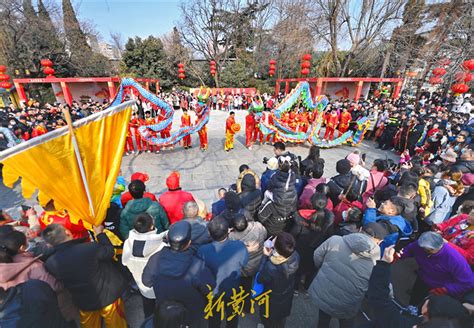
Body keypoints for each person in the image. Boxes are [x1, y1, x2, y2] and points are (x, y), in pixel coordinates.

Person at [42, 224, 128, 328]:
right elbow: (109, 252)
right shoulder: (89, 248)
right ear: (67, 232)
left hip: (83, 301)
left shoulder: (50, 263)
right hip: (108, 296)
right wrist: (100, 234)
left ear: (49, 244)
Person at [368, 246, 472, 328]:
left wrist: (384, 264)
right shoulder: (449, 322)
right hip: (426, 279)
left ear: (427, 313)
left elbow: (379, 298)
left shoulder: (401, 324)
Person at [308, 222, 388, 328]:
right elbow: (379, 288)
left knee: (323, 319)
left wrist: (324, 269)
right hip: (348, 304)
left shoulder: (335, 240)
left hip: (325, 292)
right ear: (379, 241)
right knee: (346, 323)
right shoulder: (376, 263)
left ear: (359, 229)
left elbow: (317, 255)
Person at [142, 221, 215, 327]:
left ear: (168, 238)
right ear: (189, 243)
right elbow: (209, 287)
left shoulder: (155, 259)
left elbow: (146, 282)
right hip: (192, 314)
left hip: (166, 313)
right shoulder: (197, 265)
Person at [197, 217, 248, 328]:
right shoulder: (240, 247)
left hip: (213, 292)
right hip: (233, 289)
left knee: (214, 317)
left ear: (210, 233)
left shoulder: (202, 250)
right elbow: (244, 263)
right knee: (232, 316)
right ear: (228, 231)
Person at [400, 232, 474, 306]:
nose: (425, 251)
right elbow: (409, 250)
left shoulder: (455, 259)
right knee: (415, 298)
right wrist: (397, 256)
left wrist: (445, 289)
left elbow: (468, 283)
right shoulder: (422, 244)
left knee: (425, 308)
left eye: (430, 250)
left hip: (439, 288)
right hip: (423, 278)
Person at [122, 213, 167, 317]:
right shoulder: (161, 246)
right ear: (151, 226)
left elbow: (125, 262)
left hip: (142, 286)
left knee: (148, 311)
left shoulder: (128, 243)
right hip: (159, 288)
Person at [291, 192, 334, 292]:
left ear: (311, 203)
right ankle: (306, 288)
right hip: (318, 249)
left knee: (298, 269)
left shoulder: (302, 216)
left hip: (301, 247)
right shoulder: (328, 219)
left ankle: (296, 289)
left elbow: (294, 232)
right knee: (312, 270)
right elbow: (330, 236)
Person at [257, 232, 300, 328]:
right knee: (281, 317)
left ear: (276, 249)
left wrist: (265, 256)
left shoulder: (271, 267)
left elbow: (260, 278)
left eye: (274, 241)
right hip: (286, 295)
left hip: (271, 298)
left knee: (268, 318)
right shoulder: (296, 256)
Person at [229, 215, 267, 307]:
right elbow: (265, 235)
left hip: (245, 268)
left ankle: (245, 304)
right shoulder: (258, 226)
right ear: (246, 220)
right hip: (259, 260)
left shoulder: (232, 237)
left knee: (245, 286)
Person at [258, 156, 298, 236]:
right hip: (286, 229)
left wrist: (262, 205)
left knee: (266, 193)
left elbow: (261, 217)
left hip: (271, 231)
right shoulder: (292, 176)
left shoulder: (275, 176)